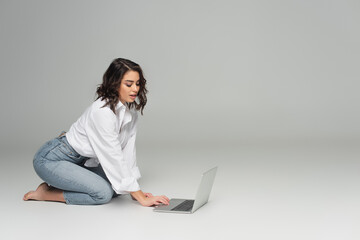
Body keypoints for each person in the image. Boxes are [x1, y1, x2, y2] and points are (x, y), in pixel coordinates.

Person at [23, 58, 170, 206]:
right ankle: (45, 194)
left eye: (138, 84)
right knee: (103, 194)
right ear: (115, 83)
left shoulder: (129, 114)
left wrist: (134, 191)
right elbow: (113, 156)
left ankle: (64, 181)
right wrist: (141, 198)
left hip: (81, 161)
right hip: (51, 159)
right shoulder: (102, 112)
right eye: (128, 84)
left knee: (118, 188)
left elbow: (127, 153)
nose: (135, 89)